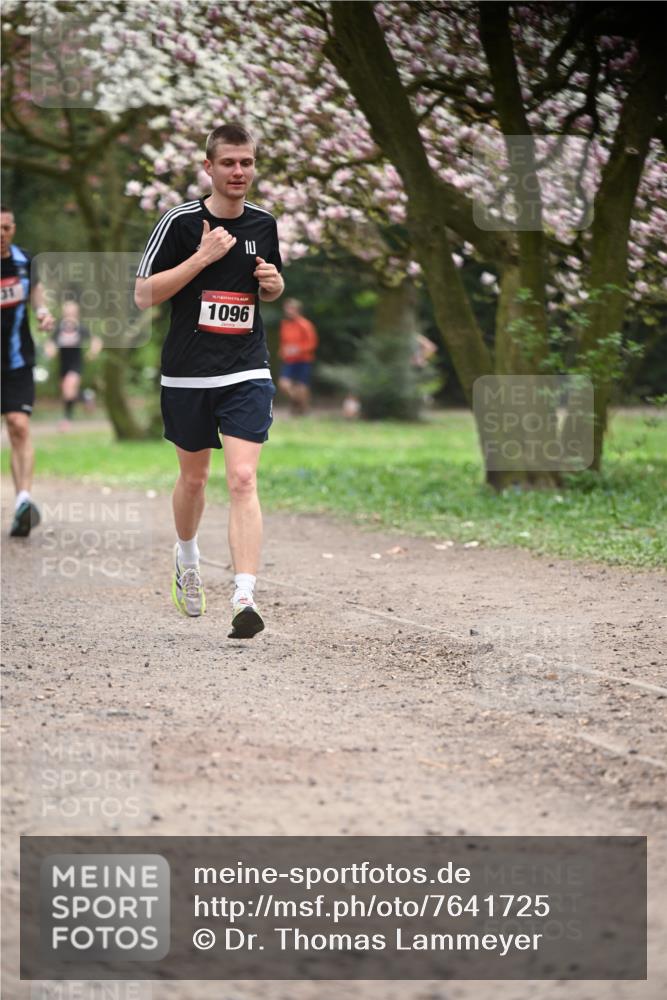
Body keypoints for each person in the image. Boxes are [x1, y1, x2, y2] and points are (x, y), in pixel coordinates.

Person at [134, 123, 284, 639]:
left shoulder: (265, 223)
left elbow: (268, 287)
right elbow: (143, 295)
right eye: (228, 163)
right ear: (209, 168)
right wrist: (203, 257)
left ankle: (244, 594)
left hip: (246, 367)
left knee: (243, 478)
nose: (238, 171)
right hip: (187, 373)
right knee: (194, 479)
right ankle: (187, 559)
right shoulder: (178, 223)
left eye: (246, 162)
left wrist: (274, 284)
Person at [1, 206, 54, 537]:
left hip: (17, 361)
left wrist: (44, 313)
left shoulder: (25, 262)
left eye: (6, 227)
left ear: (14, 228)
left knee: (18, 425)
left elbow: (38, 300)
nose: (1, 233)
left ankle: (23, 501)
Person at [44, 298, 102, 431]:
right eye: (67, 312)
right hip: (63, 365)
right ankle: (86, 396)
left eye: (72, 312)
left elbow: (96, 340)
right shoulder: (59, 328)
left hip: (76, 364)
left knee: (68, 388)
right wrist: (50, 351)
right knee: (67, 393)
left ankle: (66, 420)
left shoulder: (80, 328)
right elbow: (50, 343)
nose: (69, 315)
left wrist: (93, 352)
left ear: (77, 314)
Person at [278, 298, 318, 415]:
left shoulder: (305, 325)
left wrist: (297, 350)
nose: (289, 311)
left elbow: (312, 343)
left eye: (291, 309)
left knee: (302, 387)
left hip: (303, 359)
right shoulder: (285, 324)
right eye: (287, 308)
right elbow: (284, 342)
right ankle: (298, 403)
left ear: (298, 310)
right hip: (289, 360)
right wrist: (282, 351)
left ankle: (303, 410)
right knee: (284, 384)